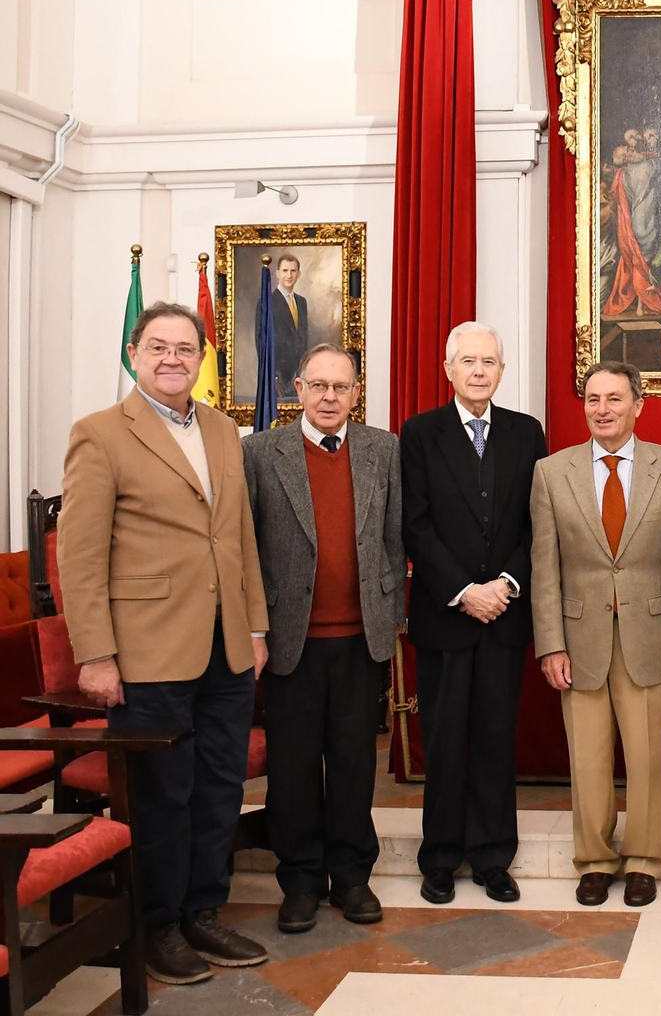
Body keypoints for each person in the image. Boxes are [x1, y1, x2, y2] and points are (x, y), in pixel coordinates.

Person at [57, 301, 271, 986]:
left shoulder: (221, 429)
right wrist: (95, 652)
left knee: (216, 789)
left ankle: (204, 913)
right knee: (160, 795)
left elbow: (238, 538)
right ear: (134, 352)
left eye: (186, 347)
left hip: (226, 648)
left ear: (202, 356)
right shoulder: (99, 434)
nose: (173, 358)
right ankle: (158, 927)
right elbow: (80, 555)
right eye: (159, 347)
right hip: (147, 651)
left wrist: (256, 626)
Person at [242, 343, 405, 934]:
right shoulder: (260, 452)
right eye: (319, 385)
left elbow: (393, 538)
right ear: (298, 388)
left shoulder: (382, 449)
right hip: (290, 640)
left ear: (356, 392)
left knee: (356, 763)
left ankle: (353, 877)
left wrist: (390, 613)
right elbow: (246, 546)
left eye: (341, 387)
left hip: (362, 638)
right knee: (292, 767)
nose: (330, 396)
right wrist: (255, 628)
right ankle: (301, 881)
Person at [532, 361, 661, 908]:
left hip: (652, 633)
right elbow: (544, 567)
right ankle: (595, 859)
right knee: (589, 756)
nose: (602, 409)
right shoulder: (551, 472)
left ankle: (645, 858)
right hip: (579, 639)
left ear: (638, 405)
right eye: (593, 399)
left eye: (615, 399)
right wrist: (550, 642)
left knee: (649, 755)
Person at [400, 321, 547, 906]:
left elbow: (537, 520)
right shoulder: (419, 433)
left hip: (505, 616)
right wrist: (464, 590)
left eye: (489, 361)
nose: (479, 370)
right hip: (445, 616)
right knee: (444, 740)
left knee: (493, 739)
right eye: (468, 361)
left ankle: (492, 857)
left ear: (501, 372)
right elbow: (414, 523)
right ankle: (439, 857)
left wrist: (505, 584)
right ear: (449, 370)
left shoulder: (526, 432)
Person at [256, 253, 311, 403]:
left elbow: (303, 339)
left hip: (299, 375)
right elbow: (261, 342)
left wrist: (304, 372)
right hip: (278, 376)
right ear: (278, 273)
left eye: (293, 271)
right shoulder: (267, 302)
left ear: (298, 274)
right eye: (285, 271)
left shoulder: (301, 302)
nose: (289, 275)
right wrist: (272, 377)